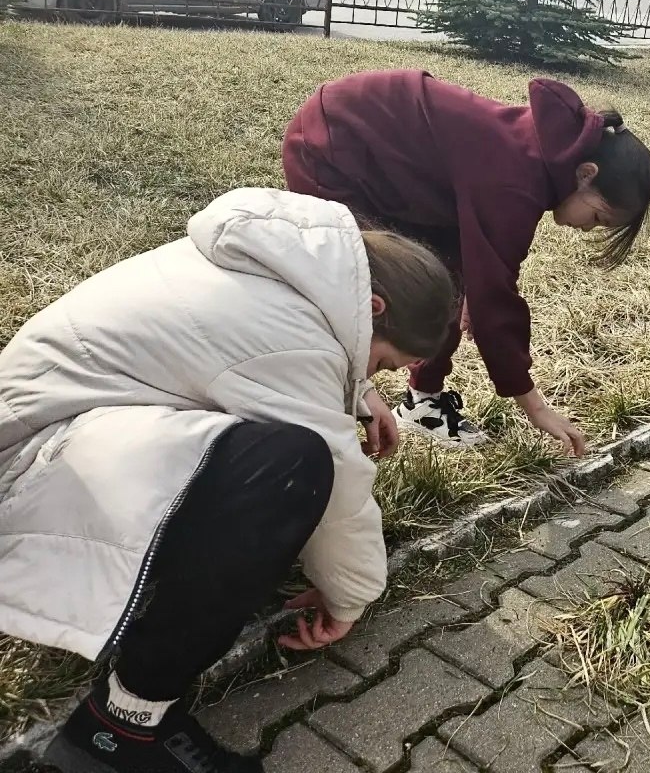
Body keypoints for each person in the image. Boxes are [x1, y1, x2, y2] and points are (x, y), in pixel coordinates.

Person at [0, 189, 456, 773]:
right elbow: (340, 486)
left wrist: (357, 393)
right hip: (30, 473)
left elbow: (254, 356)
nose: (378, 376)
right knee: (293, 467)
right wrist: (352, 595)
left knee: (280, 459)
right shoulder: (292, 336)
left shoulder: (282, 271)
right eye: (384, 365)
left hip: (65, 440)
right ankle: (121, 729)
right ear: (370, 306)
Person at [283, 70, 650, 455]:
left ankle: (422, 402)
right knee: (356, 287)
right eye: (598, 217)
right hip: (335, 147)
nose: (587, 229)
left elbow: (479, 276)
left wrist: (470, 289)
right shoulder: (518, 177)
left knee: (446, 279)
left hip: (401, 175)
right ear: (586, 174)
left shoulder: (538, 155)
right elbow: (495, 295)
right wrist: (535, 405)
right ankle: (334, 410)